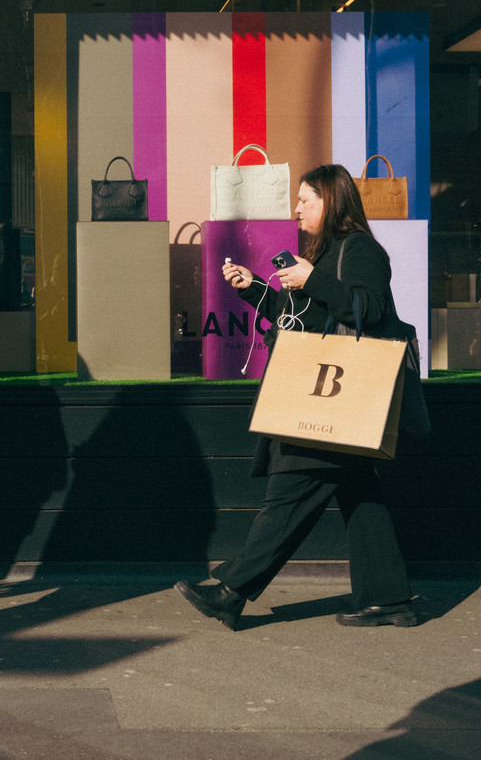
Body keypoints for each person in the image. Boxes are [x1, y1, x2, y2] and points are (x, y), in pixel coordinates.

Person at [176, 162, 419, 630]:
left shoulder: (360, 248)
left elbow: (368, 307)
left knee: (288, 492)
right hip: (333, 394)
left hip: (332, 393)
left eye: (306, 199)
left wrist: (312, 279)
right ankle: (388, 599)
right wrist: (256, 292)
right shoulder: (328, 252)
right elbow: (306, 318)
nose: (297, 208)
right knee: (359, 494)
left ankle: (231, 591)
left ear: (331, 200)